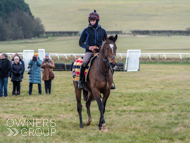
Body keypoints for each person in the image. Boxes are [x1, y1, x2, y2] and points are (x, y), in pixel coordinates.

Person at [78, 10, 115, 89]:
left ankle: (110, 82)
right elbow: (80, 43)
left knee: (109, 64)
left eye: (93, 20)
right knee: (84, 62)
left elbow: (106, 42)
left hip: (100, 52)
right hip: (89, 52)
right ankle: (81, 81)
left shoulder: (103, 31)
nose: (92, 22)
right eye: (91, 20)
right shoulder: (86, 31)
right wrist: (89, 47)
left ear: (97, 21)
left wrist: (100, 47)